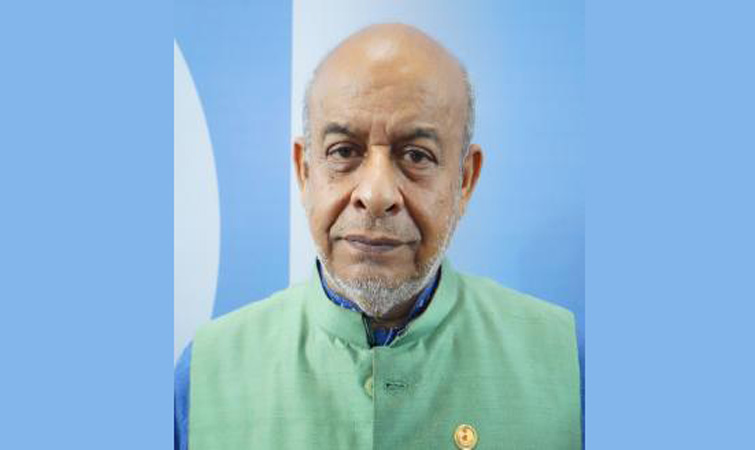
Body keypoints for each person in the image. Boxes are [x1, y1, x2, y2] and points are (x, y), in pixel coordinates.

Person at [175, 23, 581, 450]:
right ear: (305, 171)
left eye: (416, 156)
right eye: (344, 152)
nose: (376, 195)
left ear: (465, 180)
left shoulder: (569, 364)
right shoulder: (204, 374)